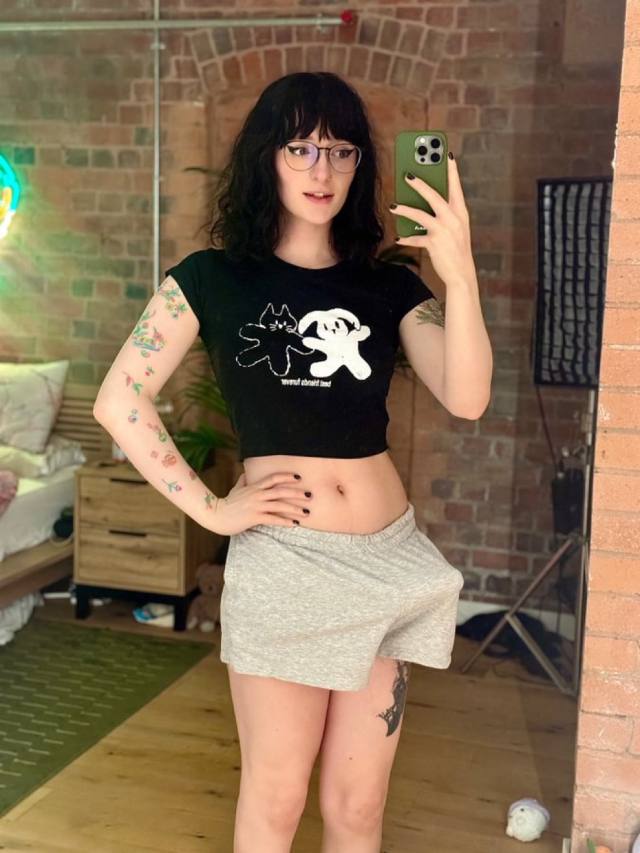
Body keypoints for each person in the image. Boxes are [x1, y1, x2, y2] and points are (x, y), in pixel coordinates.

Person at [94, 72, 492, 853]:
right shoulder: (211, 279)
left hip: (388, 560)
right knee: (276, 800)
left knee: (358, 806)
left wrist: (461, 269)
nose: (322, 170)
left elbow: (468, 396)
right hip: (285, 563)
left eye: (341, 151)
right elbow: (121, 398)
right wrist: (212, 509)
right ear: (267, 157)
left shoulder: (389, 284)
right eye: (301, 148)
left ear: (359, 165)